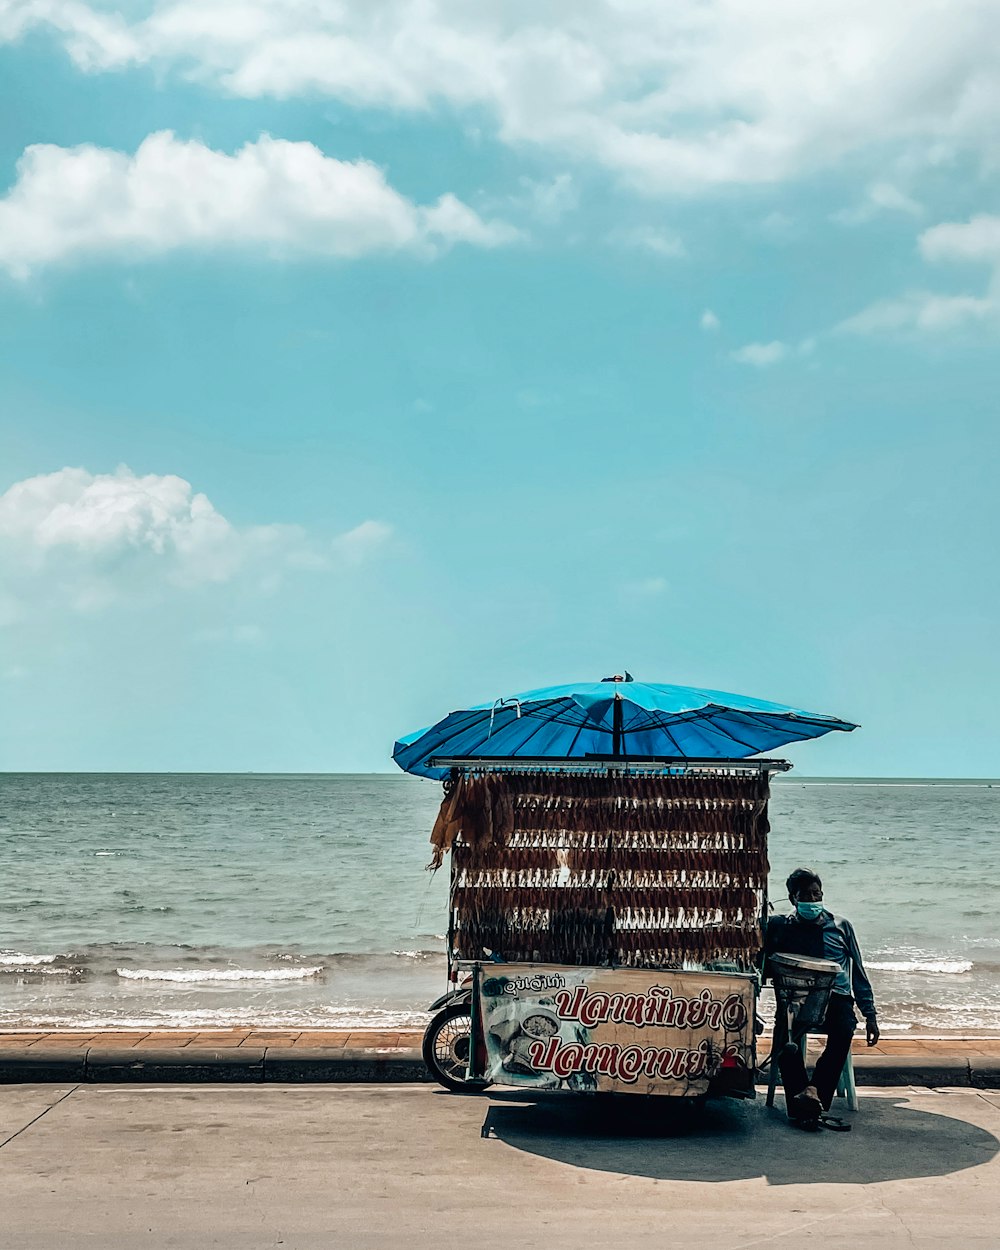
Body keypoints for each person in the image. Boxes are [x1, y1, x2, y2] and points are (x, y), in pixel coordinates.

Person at [764, 867, 879, 1128]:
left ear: (823, 894)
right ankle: (804, 1104)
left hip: (836, 998)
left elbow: (858, 973)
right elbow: (765, 966)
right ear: (793, 899)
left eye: (816, 894)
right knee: (784, 1038)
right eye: (805, 895)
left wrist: (870, 1015)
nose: (812, 900)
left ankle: (813, 1094)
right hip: (796, 998)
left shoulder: (840, 926)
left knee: (844, 1028)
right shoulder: (781, 927)